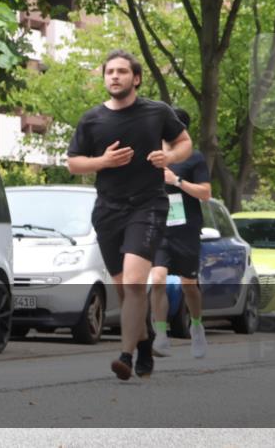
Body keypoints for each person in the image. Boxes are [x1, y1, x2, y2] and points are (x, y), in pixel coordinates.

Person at [66, 49, 191, 380]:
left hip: (147, 205)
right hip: (108, 210)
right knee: (124, 290)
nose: (115, 76)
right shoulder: (92, 119)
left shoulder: (157, 112)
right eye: (110, 72)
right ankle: (144, 342)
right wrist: (103, 162)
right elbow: (73, 163)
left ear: (136, 78)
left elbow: (184, 143)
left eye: (122, 71)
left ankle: (125, 355)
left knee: (135, 282)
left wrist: (169, 157)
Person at [150, 107, 211, 359]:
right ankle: (161, 335)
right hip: (159, 227)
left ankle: (196, 326)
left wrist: (176, 181)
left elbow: (205, 193)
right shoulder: (152, 155)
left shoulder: (194, 158)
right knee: (157, 279)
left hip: (186, 228)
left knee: (189, 285)